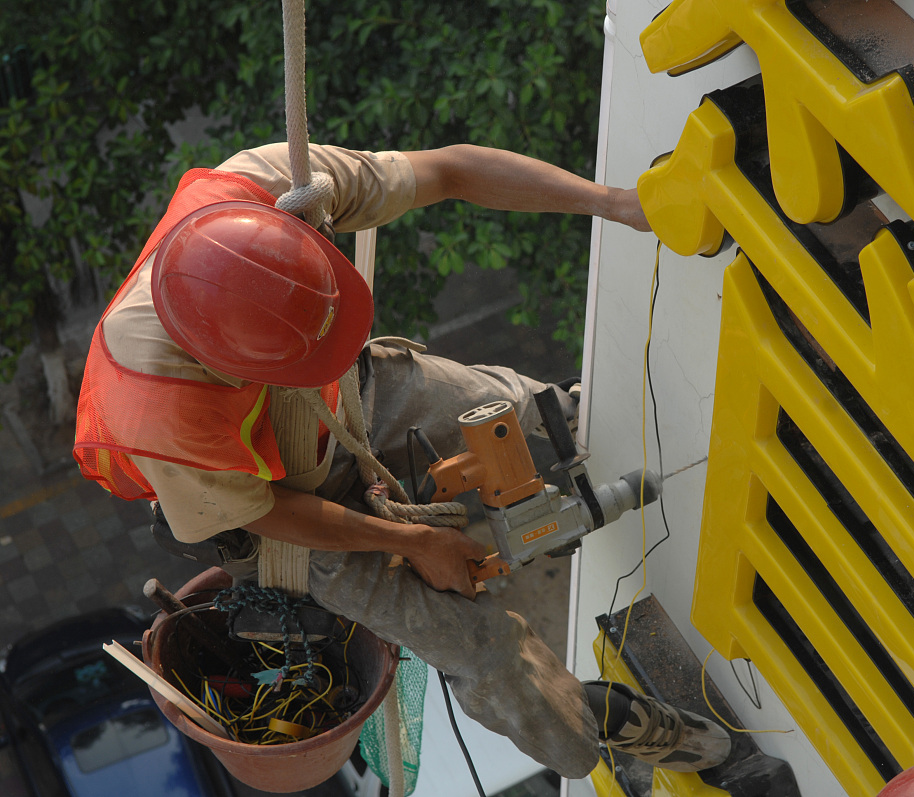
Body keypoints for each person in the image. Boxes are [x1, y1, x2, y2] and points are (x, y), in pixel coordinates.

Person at [74, 142, 731, 778]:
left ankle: (570, 417)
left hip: (341, 394)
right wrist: (414, 539)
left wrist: (616, 202)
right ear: (234, 366)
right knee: (488, 656)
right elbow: (273, 514)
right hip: (277, 506)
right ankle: (640, 733)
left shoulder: (266, 184)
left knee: (500, 404)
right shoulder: (159, 408)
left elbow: (449, 171)